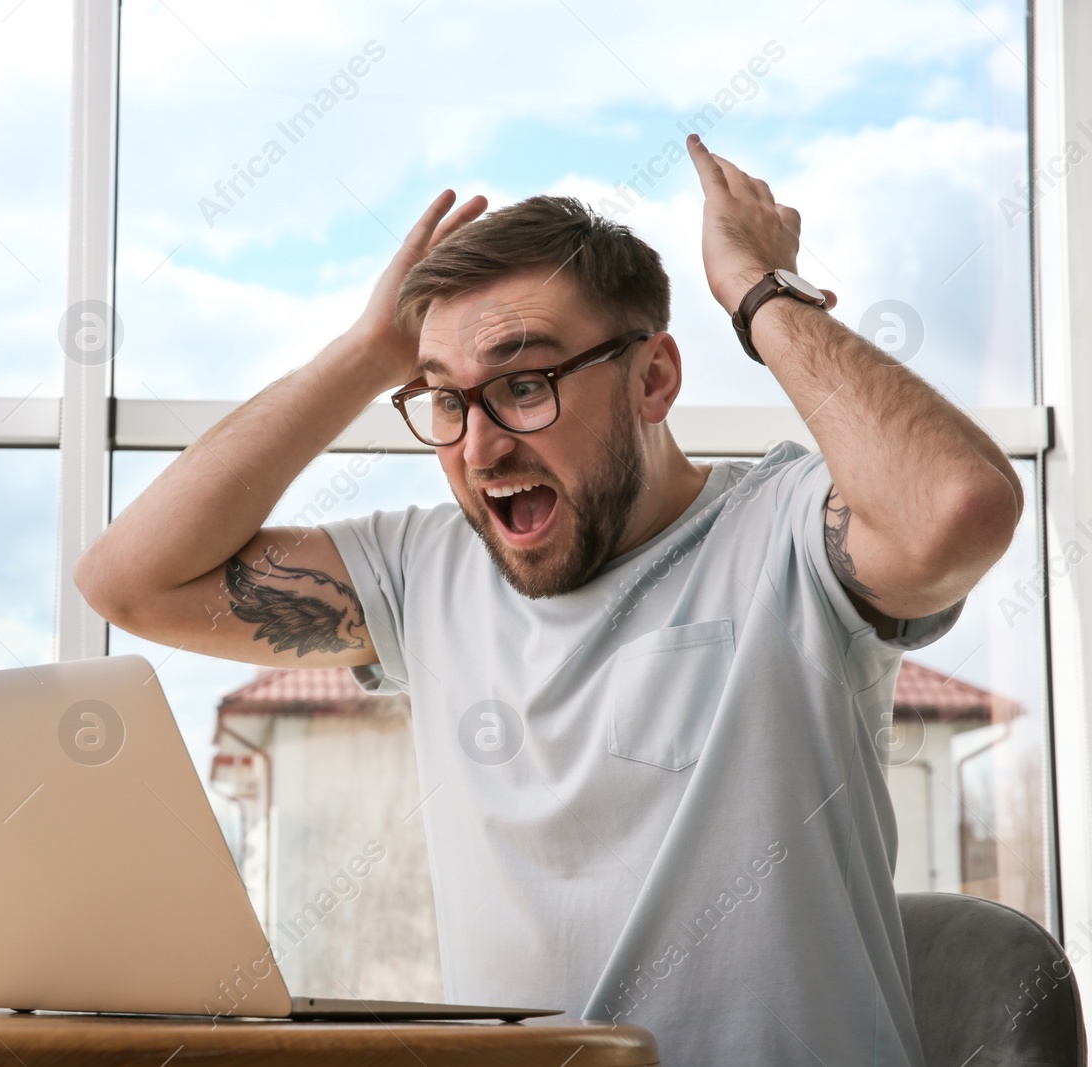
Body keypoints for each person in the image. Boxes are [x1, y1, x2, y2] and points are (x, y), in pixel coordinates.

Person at [75, 133, 1023, 1065]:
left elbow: (955, 509)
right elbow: (130, 580)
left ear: (653, 378)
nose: (480, 449)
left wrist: (760, 288)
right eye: (445, 398)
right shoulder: (424, 568)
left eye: (525, 385)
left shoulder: (784, 533)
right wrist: (371, 352)